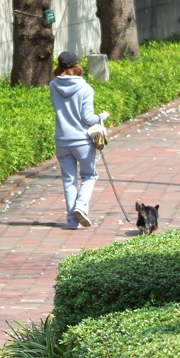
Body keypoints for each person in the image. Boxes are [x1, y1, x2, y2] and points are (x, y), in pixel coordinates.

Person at [49, 50, 109, 229]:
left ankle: (72, 221)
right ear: (76, 66)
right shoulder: (85, 88)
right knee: (89, 176)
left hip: (62, 140)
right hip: (82, 141)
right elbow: (88, 118)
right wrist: (103, 116)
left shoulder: (53, 85)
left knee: (69, 180)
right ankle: (81, 206)